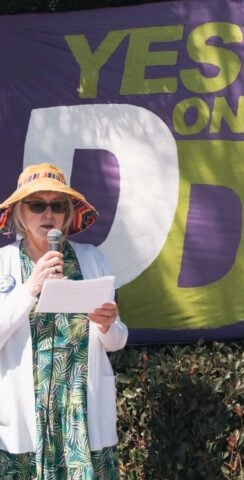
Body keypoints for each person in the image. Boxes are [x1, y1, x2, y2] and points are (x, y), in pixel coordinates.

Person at [0, 163, 128, 479]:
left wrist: (106, 325)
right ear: (19, 212)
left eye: (57, 205)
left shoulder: (92, 258)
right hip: (27, 417)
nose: (49, 214)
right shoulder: (3, 262)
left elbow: (118, 340)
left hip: (81, 416)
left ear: (67, 214)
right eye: (37, 205)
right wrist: (31, 288)